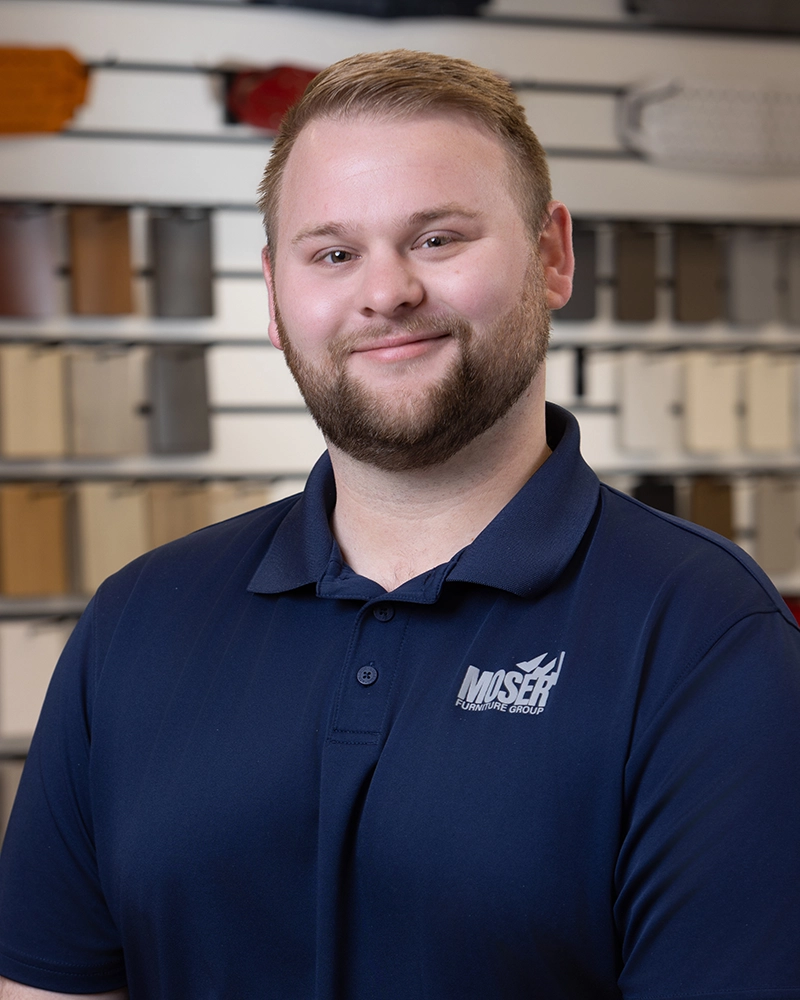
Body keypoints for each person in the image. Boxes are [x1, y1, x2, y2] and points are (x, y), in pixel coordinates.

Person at [0, 48, 798, 1000]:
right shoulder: (137, 618)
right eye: (334, 254)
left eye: (437, 238)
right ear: (275, 295)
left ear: (552, 256)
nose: (386, 293)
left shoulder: (707, 637)